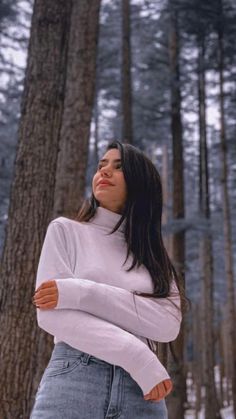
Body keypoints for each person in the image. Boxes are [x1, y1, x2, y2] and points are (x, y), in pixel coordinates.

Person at [30, 141, 184, 419]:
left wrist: (78, 293)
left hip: (143, 392)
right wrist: (139, 357)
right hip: (77, 378)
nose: (105, 172)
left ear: (140, 182)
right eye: (101, 166)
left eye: (118, 167)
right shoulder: (66, 231)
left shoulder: (154, 256)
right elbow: (52, 316)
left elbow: (166, 325)